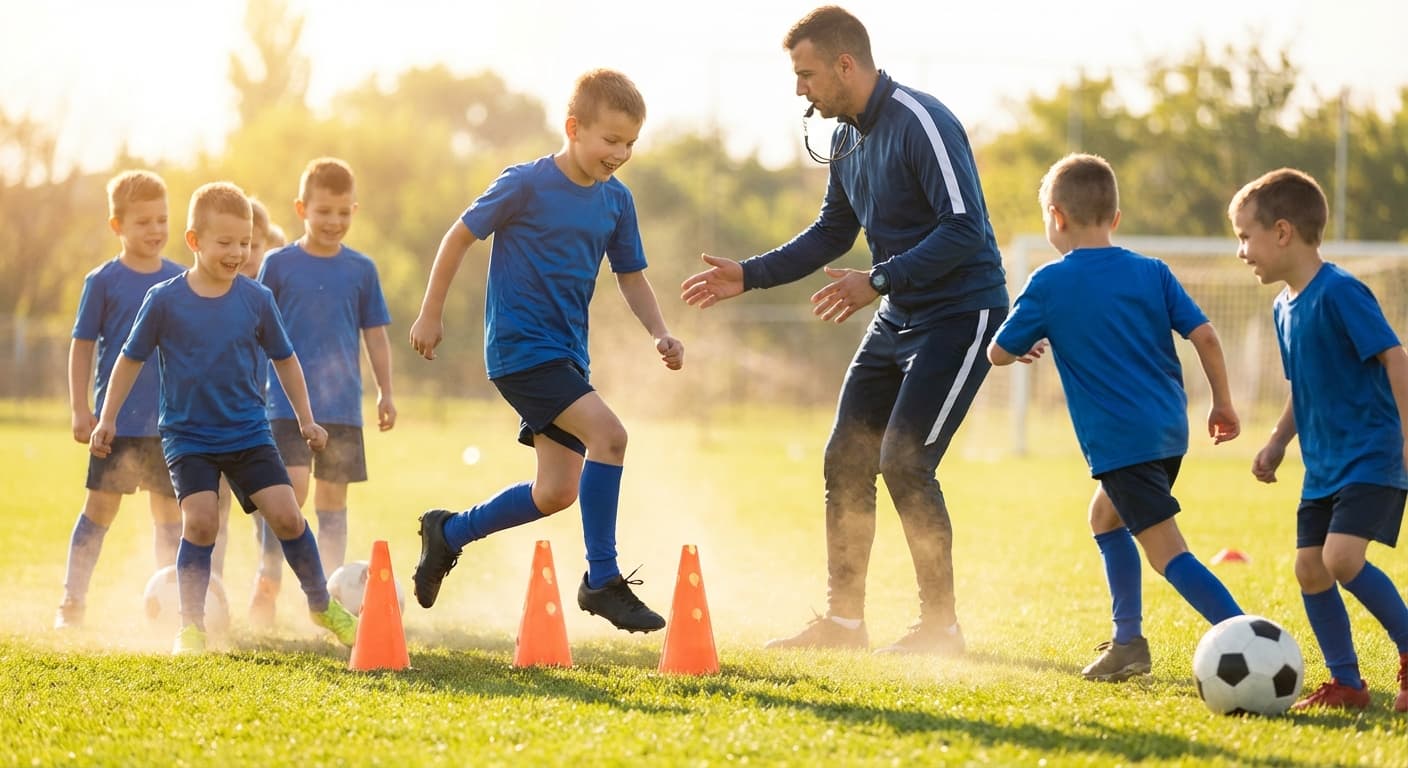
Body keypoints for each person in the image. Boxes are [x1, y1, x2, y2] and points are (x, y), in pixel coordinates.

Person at [680, 5, 1005, 654]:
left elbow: (965, 227)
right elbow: (833, 231)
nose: (800, 89)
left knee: (906, 462)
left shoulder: (922, 120)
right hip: (898, 315)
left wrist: (878, 282)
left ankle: (941, 629)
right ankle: (845, 625)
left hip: (960, 314)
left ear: (845, 65)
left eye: (806, 75)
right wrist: (750, 274)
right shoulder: (845, 137)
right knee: (846, 458)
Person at [409, 68, 683, 633]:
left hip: (565, 355)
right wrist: (430, 312)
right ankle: (601, 580)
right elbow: (458, 236)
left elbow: (631, 276)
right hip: (520, 349)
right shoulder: (525, 183)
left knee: (556, 490)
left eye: (631, 143)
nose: (621, 153)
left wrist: (658, 331)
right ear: (573, 128)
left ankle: (448, 533)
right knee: (611, 436)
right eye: (611, 140)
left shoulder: (616, 202)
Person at [987, 153, 1245, 681]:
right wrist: (1222, 401)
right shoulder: (1153, 271)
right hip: (1169, 432)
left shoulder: (1048, 283)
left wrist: (1022, 344)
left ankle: (1250, 636)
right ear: (1116, 219)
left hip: (1121, 442)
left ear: (1055, 217)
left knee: (1167, 553)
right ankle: (1128, 642)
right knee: (1104, 517)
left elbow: (997, 353)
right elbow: (1206, 336)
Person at [89, 181, 357, 655]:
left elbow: (286, 361)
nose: (238, 253)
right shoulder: (164, 300)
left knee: (288, 516)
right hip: (188, 437)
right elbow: (128, 360)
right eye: (226, 243)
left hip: (248, 432)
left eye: (246, 243)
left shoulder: (256, 300)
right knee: (201, 523)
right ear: (194, 241)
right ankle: (190, 625)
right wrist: (107, 418)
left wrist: (307, 420)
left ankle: (320, 604)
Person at [1229, 167, 1408, 712]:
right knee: (1309, 567)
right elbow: (1301, 386)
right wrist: (1279, 441)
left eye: (1244, 236)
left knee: (1341, 558)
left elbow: (1395, 357)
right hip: (1323, 465)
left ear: (1282, 232)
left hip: (1371, 455)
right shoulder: (1283, 306)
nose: (1241, 252)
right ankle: (1348, 684)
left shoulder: (1341, 291)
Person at [254, 158, 396, 623]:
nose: (334, 222)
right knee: (289, 495)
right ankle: (269, 577)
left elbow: (375, 335)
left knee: (333, 500)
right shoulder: (277, 265)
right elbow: (254, 331)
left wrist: (385, 392)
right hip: (286, 406)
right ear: (302, 209)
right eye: (323, 212)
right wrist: (249, 387)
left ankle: (329, 591)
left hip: (341, 408)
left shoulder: (361, 270)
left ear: (354, 210)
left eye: (343, 212)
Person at [56, 170, 186, 630]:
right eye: (143, 222)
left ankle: (169, 606)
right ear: (117, 226)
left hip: (170, 426)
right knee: (100, 509)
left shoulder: (180, 280)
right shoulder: (103, 281)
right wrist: (80, 408)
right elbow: (82, 345)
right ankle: (72, 603)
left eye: (162, 220)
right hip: (117, 423)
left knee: (170, 515)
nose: (154, 230)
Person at [211, 195, 285, 626]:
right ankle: (212, 589)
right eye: (241, 244)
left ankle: (267, 583)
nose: (246, 254)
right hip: (220, 421)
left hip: (264, 419)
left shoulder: (265, 298)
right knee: (215, 508)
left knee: (269, 512)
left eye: (255, 245)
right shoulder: (213, 295)